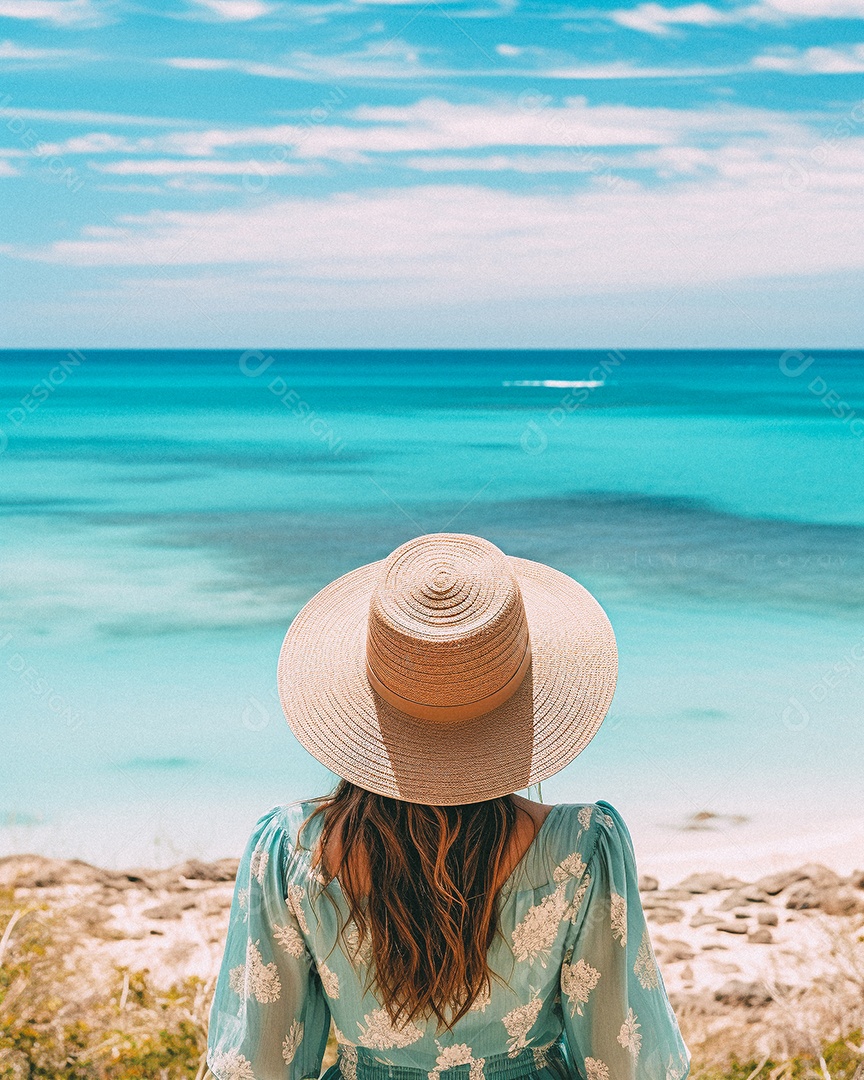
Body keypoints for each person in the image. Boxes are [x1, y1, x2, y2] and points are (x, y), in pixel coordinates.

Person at [207, 533, 691, 1080]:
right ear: (523, 695)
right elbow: (623, 1060)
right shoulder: (582, 846)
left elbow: (261, 1063)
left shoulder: (290, 849)